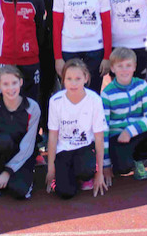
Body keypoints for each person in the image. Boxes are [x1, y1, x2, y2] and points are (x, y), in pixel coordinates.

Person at [101, 48, 147, 184]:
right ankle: (121, 160)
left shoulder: (141, 85)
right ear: (112, 68)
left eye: (128, 65)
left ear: (134, 67)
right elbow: (103, 129)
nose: (124, 70)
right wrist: (105, 165)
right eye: (120, 66)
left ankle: (138, 159)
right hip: (117, 137)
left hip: (136, 132)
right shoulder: (107, 94)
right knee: (123, 168)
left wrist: (129, 131)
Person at [28, 0, 73, 150]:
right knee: (45, 90)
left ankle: (70, 129)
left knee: (69, 89)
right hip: (44, 46)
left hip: (69, 44)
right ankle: (46, 131)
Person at [52, 0, 112, 93]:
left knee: (93, 94)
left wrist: (106, 56)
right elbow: (57, 26)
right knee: (71, 93)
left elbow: (106, 25)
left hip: (95, 51)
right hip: (69, 51)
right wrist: (58, 58)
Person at [0, 65, 40, 199]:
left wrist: (8, 172)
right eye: (5, 84)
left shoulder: (33, 108)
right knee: (3, 140)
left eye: (14, 83)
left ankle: (16, 177)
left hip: (22, 157)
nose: (11, 88)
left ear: (21, 82)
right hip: (0, 152)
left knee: (19, 191)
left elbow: (28, 146)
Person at [46, 59, 108, 199]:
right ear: (63, 80)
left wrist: (100, 173)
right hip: (64, 151)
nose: (73, 83)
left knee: (85, 170)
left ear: (85, 78)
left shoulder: (94, 100)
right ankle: (68, 175)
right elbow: (53, 136)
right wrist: (51, 169)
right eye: (69, 79)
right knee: (65, 193)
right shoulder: (55, 101)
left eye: (78, 78)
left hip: (84, 148)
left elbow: (99, 137)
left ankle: (85, 175)